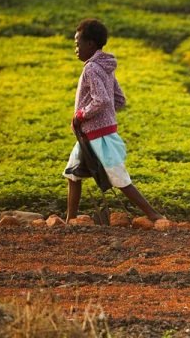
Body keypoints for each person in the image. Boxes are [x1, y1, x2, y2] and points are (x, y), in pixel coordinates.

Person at [63, 18, 164, 223]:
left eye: (77, 44)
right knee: (72, 173)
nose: (75, 49)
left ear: (90, 44)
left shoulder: (91, 68)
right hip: (90, 133)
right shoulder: (105, 67)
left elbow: (101, 100)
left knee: (120, 178)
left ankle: (153, 215)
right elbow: (118, 99)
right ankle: (69, 219)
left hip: (98, 134)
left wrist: (81, 115)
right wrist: (104, 116)